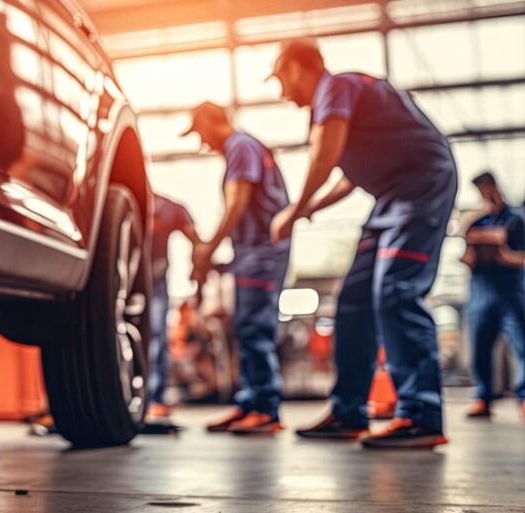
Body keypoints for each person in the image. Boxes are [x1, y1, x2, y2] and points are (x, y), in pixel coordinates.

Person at [268, 39, 457, 449]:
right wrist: (310, 207)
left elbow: (325, 155)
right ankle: (349, 410)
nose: (282, 91)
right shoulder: (342, 99)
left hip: (420, 187)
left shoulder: (335, 88)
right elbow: (347, 173)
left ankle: (421, 414)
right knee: (353, 298)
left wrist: (293, 211)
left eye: (281, 77)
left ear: (299, 67)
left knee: (395, 292)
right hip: (389, 197)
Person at [180, 102, 291, 435]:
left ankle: (265, 409)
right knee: (244, 327)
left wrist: (207, 249)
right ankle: (249, 402)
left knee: (254, 327)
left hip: (262, 251)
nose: (202, 141)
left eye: (200, 131)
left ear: (213, 122)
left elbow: (237, 202)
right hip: (250, 251)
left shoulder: (240, 146)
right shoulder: (243, 148)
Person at [461, 171, 525, 419]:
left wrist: (506, 256)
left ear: (495, 186)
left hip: (511, 293)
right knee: (479, 350)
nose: (484, 192)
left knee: (521, 346)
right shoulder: (478, 221)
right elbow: (467, 256)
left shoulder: (517, 219)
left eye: (487, 187)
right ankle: (482, 398)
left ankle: (523, 398)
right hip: (481, 293)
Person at [147, 195, 200, 419]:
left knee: (156, 337)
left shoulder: (168, 207)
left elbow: (196, 241)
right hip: (122, 279)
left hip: (155, 281)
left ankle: (154, 399)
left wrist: (197, 271)